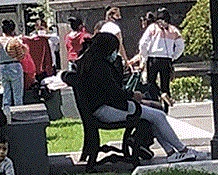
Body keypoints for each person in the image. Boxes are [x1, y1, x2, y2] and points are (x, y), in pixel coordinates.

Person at [76, 32, 203, 163]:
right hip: (107, 109)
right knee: (158, 116)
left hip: (100, 108)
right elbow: (113, 92)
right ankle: (182, 150)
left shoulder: (88, 63)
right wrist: (132, 95)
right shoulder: (100, 67)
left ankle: (171, 152)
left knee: (154, 115)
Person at [138, 7, 185, 112]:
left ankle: (157, 102)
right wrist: (173, 56)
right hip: (166, 59)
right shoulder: (173, 30)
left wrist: (144, 56)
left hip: (153, 58)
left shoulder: (153, 28)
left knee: (151, 83)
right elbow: (181, 46)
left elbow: (143, 43)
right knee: (165, 84)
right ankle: (166, 108)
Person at [0, 20, 26, 107]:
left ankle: (6, 113)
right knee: (17, 94)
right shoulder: (15, 41)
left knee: (6, 93)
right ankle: (19, 113)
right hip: (14, 65)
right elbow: (21, 56)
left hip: (3, 66)